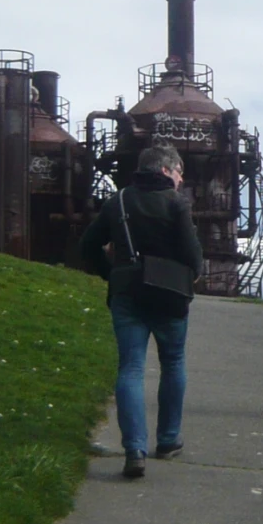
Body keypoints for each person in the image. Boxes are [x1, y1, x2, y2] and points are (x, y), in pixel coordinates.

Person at [79, 143, 204, 479]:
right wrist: (189, 274)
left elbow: (87, 246)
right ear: (165, 170)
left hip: (127, 293)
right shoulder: (177, 203)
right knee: (173, 363)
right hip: (170, 296)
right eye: (178, 172)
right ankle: (167, 440)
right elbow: (194, 257)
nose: (180, 179)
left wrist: (113, 274)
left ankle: (134, 449)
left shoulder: (118, 201)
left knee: (131, 367)